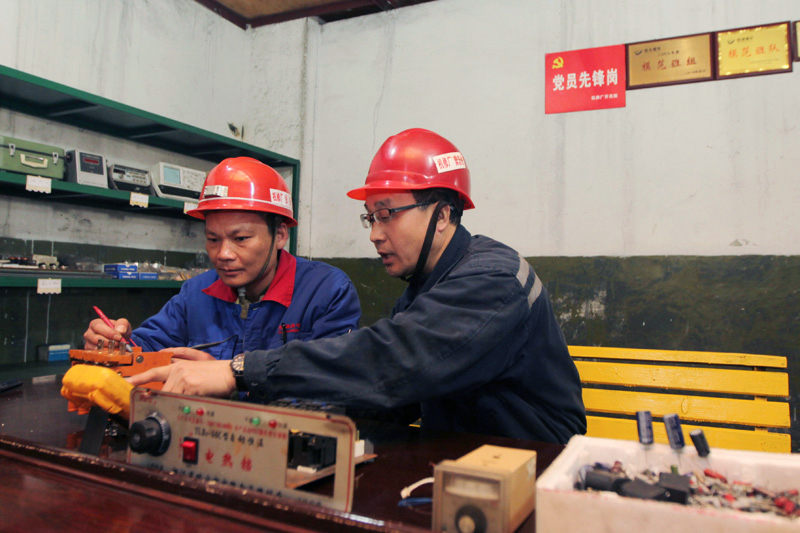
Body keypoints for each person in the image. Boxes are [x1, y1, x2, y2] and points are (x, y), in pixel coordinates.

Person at [129, 130, 586, 443]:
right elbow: (387, 395)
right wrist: (288, 427)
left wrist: (239, 371)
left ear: (443, 213)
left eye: (387, 215)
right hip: (460, 457)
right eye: (370, 217)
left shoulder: (493, 279)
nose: (374, 234)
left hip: (535, 467)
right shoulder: (425, 288)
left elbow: (391, 361)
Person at [83, 157, 361, 362]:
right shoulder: (195, 294)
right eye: (213, 239)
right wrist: (118, 345)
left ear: (279, 235)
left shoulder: (325, 291)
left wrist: (232, 376)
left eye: (240, 238)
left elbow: (332, 380)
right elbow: (145, 349)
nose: (223, 254)